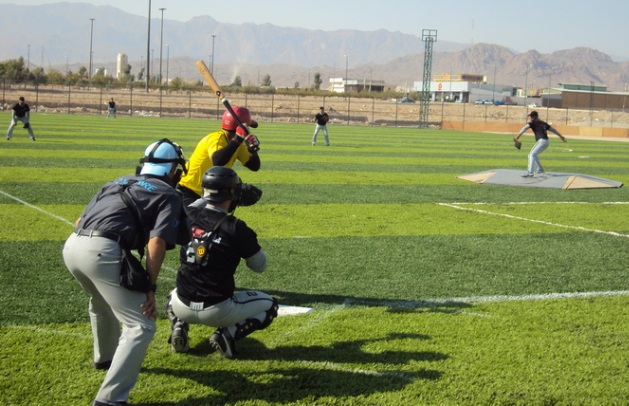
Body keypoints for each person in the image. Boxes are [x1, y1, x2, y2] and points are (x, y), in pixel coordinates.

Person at [62, 139, 191, 406]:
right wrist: (150, 287)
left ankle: (105, 358)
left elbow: (79, 221)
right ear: (172, 170)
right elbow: (157, 242)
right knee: (141, 325)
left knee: (99, 302)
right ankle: (110, 399)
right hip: (102, 251)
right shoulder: (168, 194)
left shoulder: (116, 181)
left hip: (72, 246)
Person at [167, 166, 278, 359]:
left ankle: (178, 325)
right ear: (232, 193)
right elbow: (259, 266)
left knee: (173, 292)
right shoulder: (235, 227)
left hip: (181, 305)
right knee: (270, 305)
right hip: (217, 309)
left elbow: (196, 205)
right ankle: (227, 335)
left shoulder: (188, 215)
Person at [177, 106, 261, 207]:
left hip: (208, 196)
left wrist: (252, 150)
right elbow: (217, 161)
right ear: (240, 128)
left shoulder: (237, 144)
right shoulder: (216, 138)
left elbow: (254, 166)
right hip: (189, 192)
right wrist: (237, 139)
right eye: (248, 127)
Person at [514, 110, 567, 177]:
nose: (531, 118)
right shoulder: (543, 123)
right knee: (534, 155)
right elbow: (554, 130)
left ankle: (530, 172)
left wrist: (517, 137)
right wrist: (561, 137)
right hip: (546, 142)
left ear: (534, 116)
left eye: (531, 116)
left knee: (531, 155)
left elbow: (524, 128)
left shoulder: (533, 122)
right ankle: (540, 170)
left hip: (542, 141)